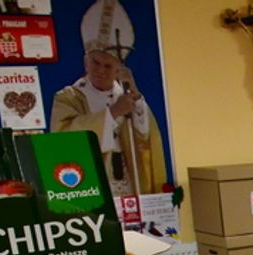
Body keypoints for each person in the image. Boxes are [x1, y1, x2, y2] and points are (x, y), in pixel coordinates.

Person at [50, 15, 168, 198]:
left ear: (118, 69)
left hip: (128, 178)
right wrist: (112, 113)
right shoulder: (69, 97)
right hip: (92, 182)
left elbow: (146, 138)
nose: (101, 70)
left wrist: (136, 99)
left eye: (108, 65)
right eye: (96, 62)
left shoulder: (126, 95)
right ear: (86, 62)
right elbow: (64, 141)